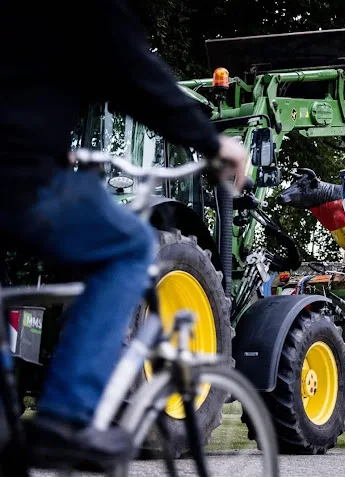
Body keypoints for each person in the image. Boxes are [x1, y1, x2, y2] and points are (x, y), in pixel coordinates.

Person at [0, 0, 247, 468]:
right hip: (21, 176)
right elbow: (133, 72)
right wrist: (213, 141)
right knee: (130, 246)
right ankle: (67, 417)